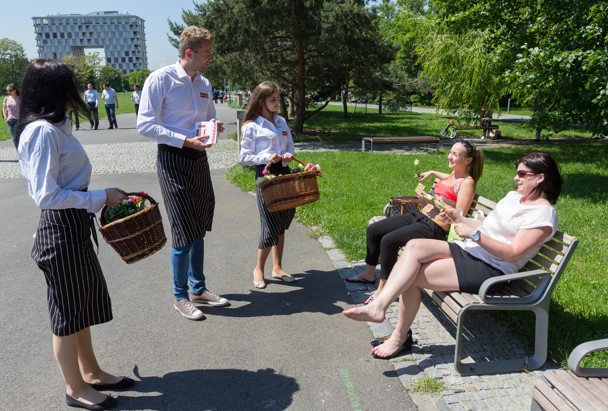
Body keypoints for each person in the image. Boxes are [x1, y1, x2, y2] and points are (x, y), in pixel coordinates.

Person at [343, 152, 563, 360]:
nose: (516, 178)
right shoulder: (514, 197)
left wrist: (475, 236)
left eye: (522, 174)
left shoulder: (543, 215)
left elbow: (514, 253)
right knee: (413, 247)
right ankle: (380, 307)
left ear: (540, 178)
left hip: (491, 269)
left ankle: (397, 335)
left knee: (410, 274)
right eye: (517, 172)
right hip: (472, 250)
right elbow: (489, 226)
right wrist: (460, 219)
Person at [16, 59, 132, 410]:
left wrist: (98, 196)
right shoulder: (42, 132)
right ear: (53, 91)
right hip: (59, 230)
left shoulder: (56, 127)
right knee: (67, 313)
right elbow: (45, 194)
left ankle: (91, 373)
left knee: (81, 305)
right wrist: (99, 197)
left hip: (73, 226)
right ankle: (74, 388)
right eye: (71, 86)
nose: (77, 93)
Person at [137, 25, 229, 321]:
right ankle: (180, 296)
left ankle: (198, 288)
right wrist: (183, 140)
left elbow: (209, 116)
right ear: (189, 53)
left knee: (199, 223)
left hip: (198, 157)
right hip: (173, 158)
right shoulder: (160, 79)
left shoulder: (204, 82)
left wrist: (213, 128)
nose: (210, 58)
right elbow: (145, 124)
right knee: (182, 228)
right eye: (206, 53)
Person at [347, 140, 484, 304]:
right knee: (374, 230)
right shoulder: (453, 175)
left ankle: (385, 289)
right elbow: (445, 178)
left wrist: (433, 200)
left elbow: (459, 213)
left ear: (468, 160)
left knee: (389, 241)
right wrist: (432, 172)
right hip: (419, 216)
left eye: (456, 154)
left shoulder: (467, 183)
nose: (450, 156)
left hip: (434, 227)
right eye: (450, 152)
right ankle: (369, 274)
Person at [239, 81, 296, 289]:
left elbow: (289, 144)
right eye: (272, 99)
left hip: (283, 172)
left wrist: (288, 155)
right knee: (269, 223)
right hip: (265, 175)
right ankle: (259, 269)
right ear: (261, 100)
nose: (277, 103)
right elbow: (244, 157)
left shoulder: (281, 122)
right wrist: (266, 157)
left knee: (282, 219)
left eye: (278, 98)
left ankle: (278, 267)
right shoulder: (251, 126)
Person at [3, 83, 20, 147]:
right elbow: (4, 108)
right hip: (10, 121)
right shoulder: (6, 98)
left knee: (20, 137)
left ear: (15, 90)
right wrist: (5, 117)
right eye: (7, 90)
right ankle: (19, 151)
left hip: (19, 120)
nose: (8, 92)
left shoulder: (20, 98)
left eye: (10, 90)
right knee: (14, 138)